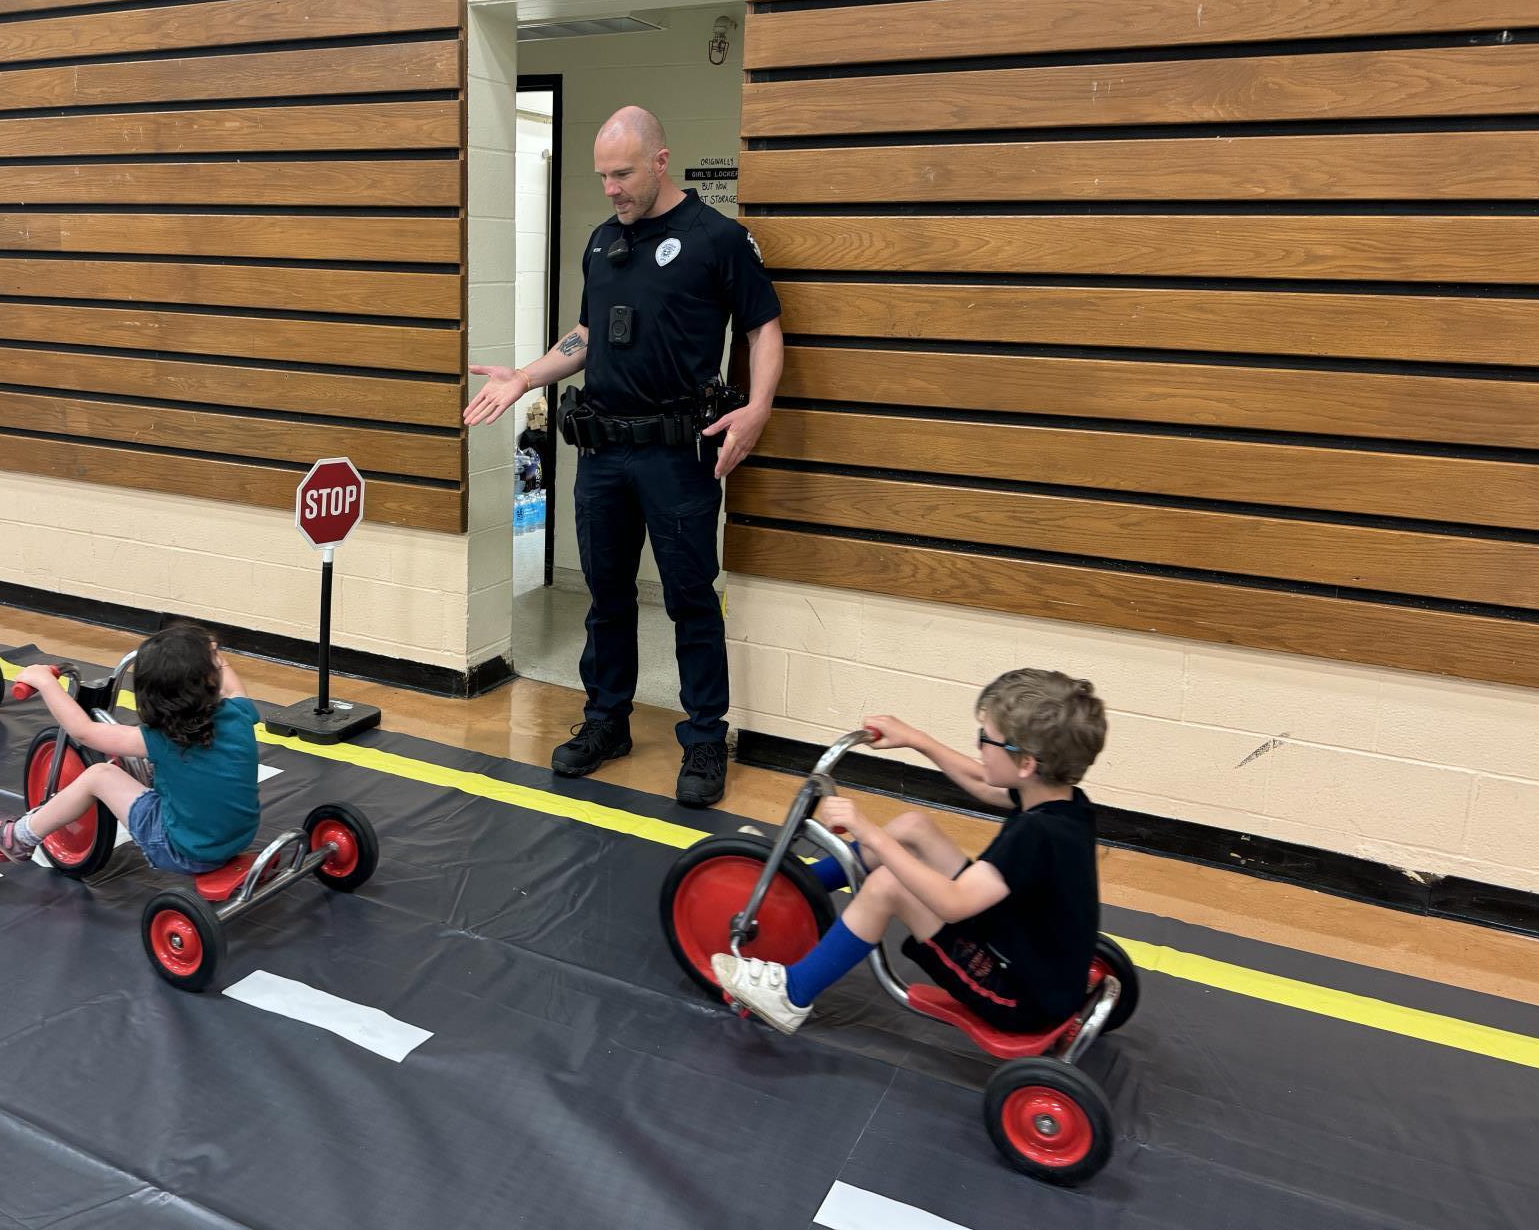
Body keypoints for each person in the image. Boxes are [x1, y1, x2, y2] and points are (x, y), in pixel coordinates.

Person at [465, 107, 783, 808]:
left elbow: (763, 328)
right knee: (605, 600)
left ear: (661, 160)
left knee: (690, 600)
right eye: (603, 175)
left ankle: (704, 737)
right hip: (604, 454)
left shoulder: (717, 240)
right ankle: (607, 721)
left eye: (624, 174)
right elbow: (586, 335)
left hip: (679, 457)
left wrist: (757, 408)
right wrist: (524, 375)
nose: (612, 188)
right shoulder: (603, 242)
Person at [714, 669, 1107, 1035]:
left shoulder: (1035, 835)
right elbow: (983, 781)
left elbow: (953, 904)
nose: (980, 747)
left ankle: (790, 995)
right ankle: (798, 883)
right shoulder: (1064, 802)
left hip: (1015, 996)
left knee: (887, 885)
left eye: (985, 739)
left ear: (1025, 763)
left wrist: (867, 830)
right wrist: (915, 739)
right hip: (1028, 951)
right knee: (911, 828)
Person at [0, 621, 261, 875]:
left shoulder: (161, 739)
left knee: (100, 775)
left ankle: (20, 838)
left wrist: (46, 682)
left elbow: (84, 732)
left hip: (184, 851)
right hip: (238, 837)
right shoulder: (239, 712)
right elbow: (230, 685)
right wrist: (210, 653)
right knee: (159, 770)